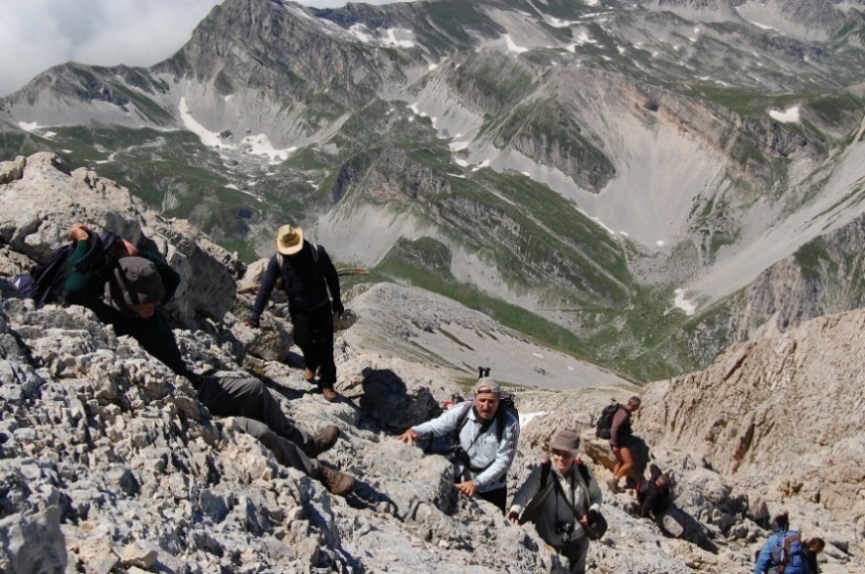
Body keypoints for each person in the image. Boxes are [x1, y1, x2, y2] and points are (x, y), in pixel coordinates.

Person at [63, 223, 355, 496]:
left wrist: (137, 254)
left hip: (191, 383)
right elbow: (75, 291)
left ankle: (306, 443)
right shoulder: (116, 318)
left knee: (254, 389)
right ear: (125, 299)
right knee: (258, 431)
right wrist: (85, 244)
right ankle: (320, 475)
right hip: (177, 405)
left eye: (155, 301)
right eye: (147, 304)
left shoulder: (144, 301)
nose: (154, 307)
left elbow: (170, 277)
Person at [246, 225, 344, 402]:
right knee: (302, 340)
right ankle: (312, 364)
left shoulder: (316, 253)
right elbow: (266, 287)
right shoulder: (278, 261)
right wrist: (255, 315)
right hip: (299, 310)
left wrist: (337, 301)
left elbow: (331, 275)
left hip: (321, 307)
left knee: (326, 347)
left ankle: (327, 384)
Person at [395, 375, 519, 513]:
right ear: (475, 398)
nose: (486, 406)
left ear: (498, 401)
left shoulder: (509, 423)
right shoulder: (461, 411)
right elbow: (437, 426)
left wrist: (476, 484)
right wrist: (414, 431)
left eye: (491, 401)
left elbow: (504, 461)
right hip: (459, 482)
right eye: (482, 400)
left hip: (492, 490)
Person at [508, 429, 603, 574]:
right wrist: (515, 510)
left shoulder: (584, 474)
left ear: (575, 455)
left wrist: (592, 512)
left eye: (566, 454)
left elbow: (596, 495)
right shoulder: (544, 472)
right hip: (547, 538)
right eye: (557, 453)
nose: (561, 458)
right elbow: (525, 492)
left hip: (577, 539)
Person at [607, 396, 641, 493]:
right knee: (629, 463)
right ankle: (614, 481)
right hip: (620, 443)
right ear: (633, 405)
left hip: (618, 441)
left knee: (620, 462)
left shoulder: (622, 410)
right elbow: (614, 429)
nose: (637, 409)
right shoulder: (624, 414)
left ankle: (614, 485)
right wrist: (615, 445)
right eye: (637, 407)